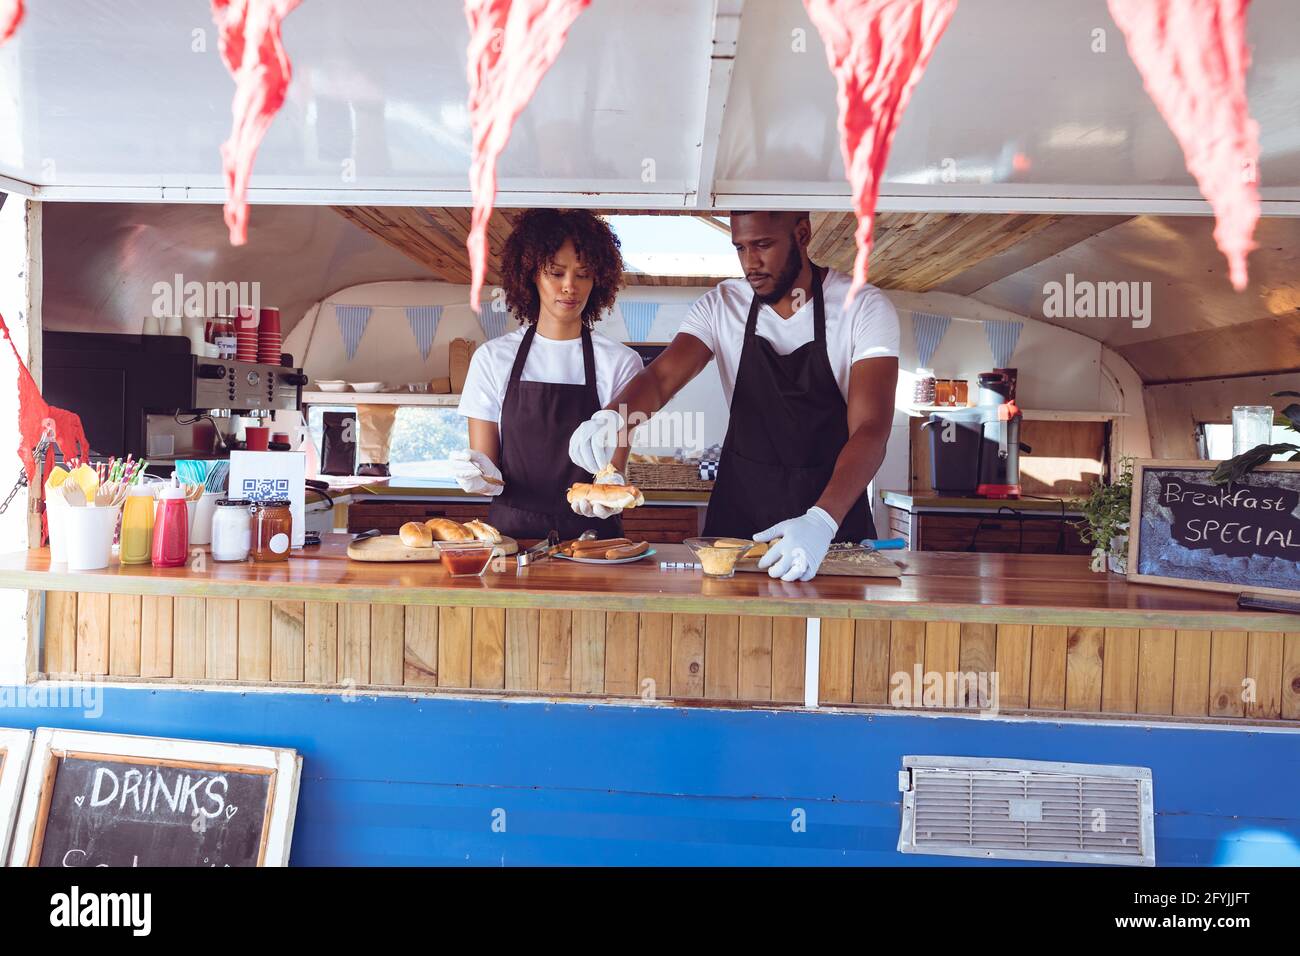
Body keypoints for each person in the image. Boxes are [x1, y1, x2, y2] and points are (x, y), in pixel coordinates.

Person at [568, 210, 898, 580]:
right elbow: (661, 377)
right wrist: (613, 417)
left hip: (833, 522)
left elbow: (871, 427)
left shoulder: (864, 308)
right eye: (740, 248)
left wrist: (821, 522)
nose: (750, 263)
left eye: (763, 245)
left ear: (802, 234)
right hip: (739, 520)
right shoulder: (722, 305)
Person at [452, 209, 645, 539]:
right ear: (530, 275)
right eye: (556, 272)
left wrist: (610, 490)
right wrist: (477, 476)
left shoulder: (621, 363)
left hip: (592, 541)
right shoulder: (492, 359)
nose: (570, 286)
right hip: (512, 539)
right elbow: (490, 473)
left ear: (598, 279)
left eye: (583, 274)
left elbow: (611, 472)